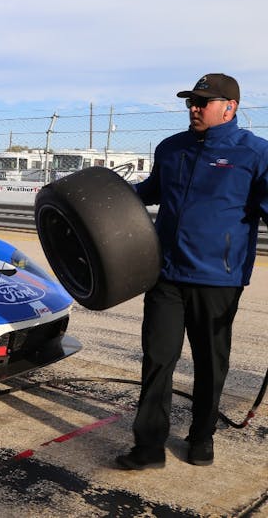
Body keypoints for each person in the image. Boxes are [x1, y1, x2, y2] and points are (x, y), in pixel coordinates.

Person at [116, 73, 268, 469]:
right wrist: (100, 195)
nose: (194, 108)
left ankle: (202, 436)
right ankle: (148, 448)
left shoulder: (255, 153)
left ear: (230, 107)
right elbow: (147, 193)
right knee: (157, 359)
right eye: (191, 102)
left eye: (203, 102)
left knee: (210, 362)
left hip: (217, 279)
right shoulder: (171, 148)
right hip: (165, 275)